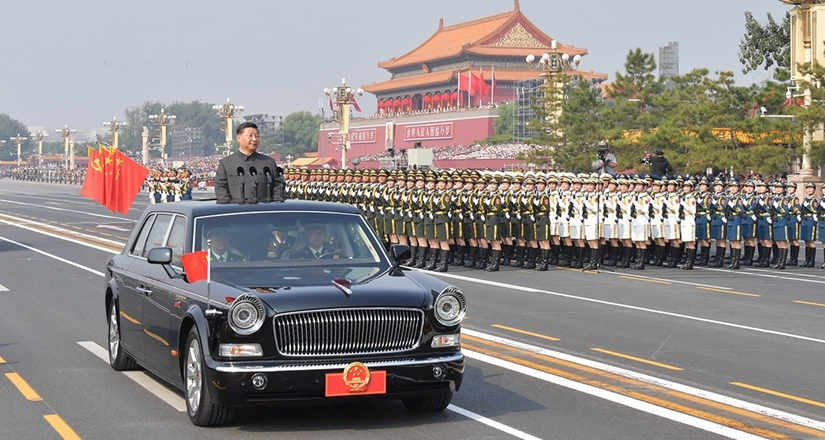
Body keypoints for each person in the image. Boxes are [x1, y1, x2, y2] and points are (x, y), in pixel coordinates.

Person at [215, 122, 284, 204]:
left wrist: (274, 205)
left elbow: (277, 187)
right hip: (236, 212)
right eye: (250, 136)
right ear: (238, 138)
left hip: (263, 212)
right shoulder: (226, 163)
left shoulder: (268, 163)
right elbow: (221, 189)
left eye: (257, 136)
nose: (254, 139)